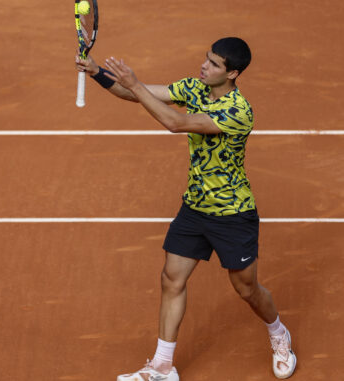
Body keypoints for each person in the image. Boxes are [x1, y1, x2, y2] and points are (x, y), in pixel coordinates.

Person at [75, 37, 297, 380]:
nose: (204, 66)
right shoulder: (194, 87)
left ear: (233, 73)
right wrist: (98, 74)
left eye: (214, 64)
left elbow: (176, 123)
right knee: (171, 279)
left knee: (246, 289)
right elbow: (138, 94)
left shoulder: (239, 111)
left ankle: (279, 333)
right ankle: (163, 367)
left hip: (232, 214)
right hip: (194, 207)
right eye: (206, 59)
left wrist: (134, 83)